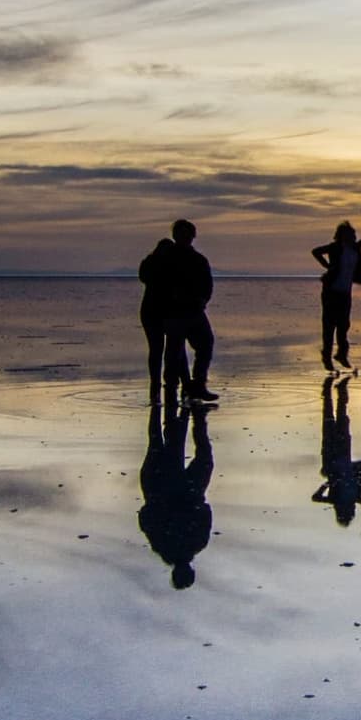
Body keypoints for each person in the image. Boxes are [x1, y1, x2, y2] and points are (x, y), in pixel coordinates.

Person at [138, 399, 213, 589]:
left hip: (171, 491)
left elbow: (206, 512)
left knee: (184, 449)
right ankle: (190, 412)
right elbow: (145, 517)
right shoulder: (166, 545)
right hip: (169, 491)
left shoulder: (194, 543)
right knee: (162, 441)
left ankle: (193, 415)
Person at [310, 209, 361, 372]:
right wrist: (327, 265)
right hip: (331, 292)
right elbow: (316, 251)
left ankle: (342, 355)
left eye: (354, 234)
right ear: (342, 235)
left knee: (344, 325)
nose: (353, 237)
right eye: (351, 234)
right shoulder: (335, 247)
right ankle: (327, 357)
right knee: (329, 326)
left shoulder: (354, 249)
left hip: (345, 293)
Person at [165, 219, 217, 403]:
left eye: (188, 234)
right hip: (174, 312)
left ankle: (198, 384)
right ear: (175, 235)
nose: (185, 237)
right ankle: (172, 388)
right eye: (181, 234)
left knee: (206, 343)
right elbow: (148, 276)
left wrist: (202, 300)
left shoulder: (199, 260)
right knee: (174, 350)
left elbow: (207, 285)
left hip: (194, 311)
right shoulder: (166, 257)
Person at [311, 376, 361, 533]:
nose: (352, 511)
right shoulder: (354, 498)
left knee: (331, 419)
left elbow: (316, 497)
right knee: (340, 418)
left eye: (350, 514)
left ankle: (329, 389)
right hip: (342, 455)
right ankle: (340, 389)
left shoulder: (336, 499)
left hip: (332, 458)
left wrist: (327, 484)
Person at [136, 233, 177, 402]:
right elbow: (145, 278)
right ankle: (157, 385)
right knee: (159, 349)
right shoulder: (153, 265)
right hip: (154, 312)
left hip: (165, 311)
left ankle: (168, 384)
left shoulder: (153, 264)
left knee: (170, 349)